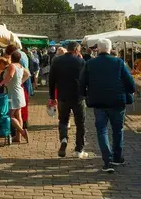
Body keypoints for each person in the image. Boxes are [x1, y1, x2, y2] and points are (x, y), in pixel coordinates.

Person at [80, 38, 135, 173]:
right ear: (110, 49)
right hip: (117, 101)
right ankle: (117, 157)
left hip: (98, 102)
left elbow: (82, 83)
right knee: (118, 130)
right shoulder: (118, 62)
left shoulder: (90, 63)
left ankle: (107, 160)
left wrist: (85, 95)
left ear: (98, 48)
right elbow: (130, 83)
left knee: (102, 130)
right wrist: (129, 91)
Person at [48, 41, 87, 159]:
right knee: (80, 123)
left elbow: (51, 80)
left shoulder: (57, 61)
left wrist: (52, 97)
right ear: (76, 50)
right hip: (78, 96)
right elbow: (85, 79)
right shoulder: (81, 61)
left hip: (62, 96)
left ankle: (64, 139)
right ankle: (79, 149)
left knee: (63, 120)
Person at [0, 53, 30, 143]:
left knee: (9, 115)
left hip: (12, 93)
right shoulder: (20, 66)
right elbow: (27, 74)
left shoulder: (12, 66)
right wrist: (19, 82)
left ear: (11, 58)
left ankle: (22, 132)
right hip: (18, 91)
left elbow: (10, 76)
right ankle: (18, 137)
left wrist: (1, 84)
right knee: (18, 115)